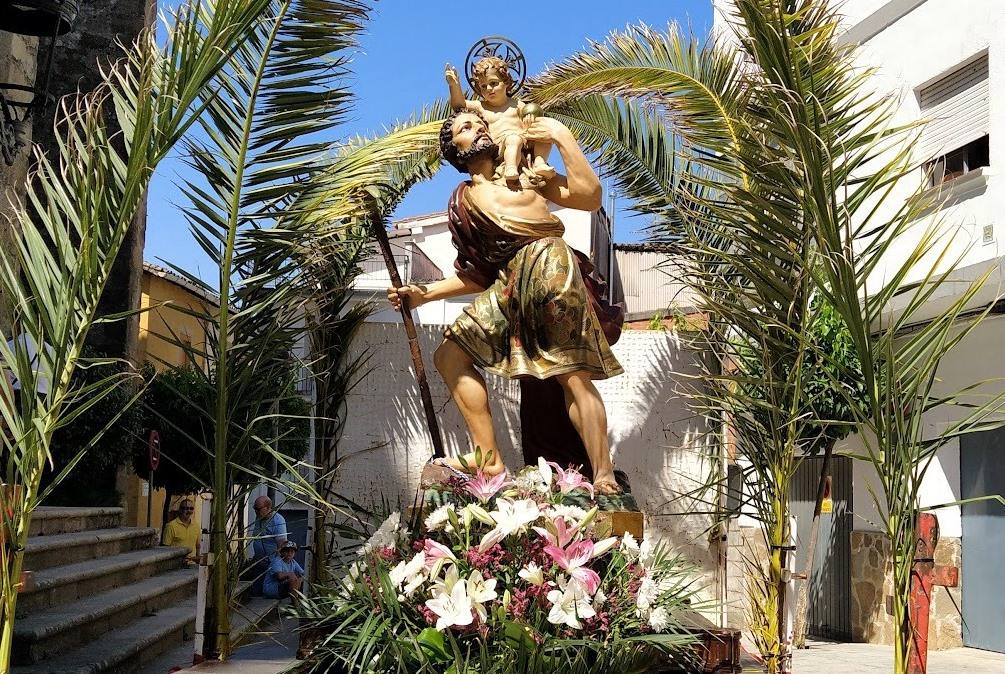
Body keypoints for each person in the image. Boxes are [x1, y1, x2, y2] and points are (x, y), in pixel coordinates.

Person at [387, 109, 625, 495]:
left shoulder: (529, 174)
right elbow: (475, 275)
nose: (479, 127)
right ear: (455, 151)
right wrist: (422, 294)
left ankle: (603, 473)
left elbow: (590, 196)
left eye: (479, 123)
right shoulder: (464, 201)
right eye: (467, 127)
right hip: (508, 283)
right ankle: (489, 458)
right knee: (450, 354)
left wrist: (563, 136)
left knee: (572, 374)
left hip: (549, 267)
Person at [445, 56, 554, 184]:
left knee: (544, 132)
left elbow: (532, 117)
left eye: (493, 83)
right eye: (483, 86)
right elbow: (459, 105)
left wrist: (531, 119)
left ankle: (539, 163)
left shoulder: (517, 104)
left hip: (524, 143)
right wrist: (454, 85)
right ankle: (510, 168)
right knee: (513, 139)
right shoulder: (481, 106)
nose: (489, 89)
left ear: (506, 82)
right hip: (501, 148)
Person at [247, 495, 287, 595]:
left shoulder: (277, 521)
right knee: (256, 593)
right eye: (255, 509)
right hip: (259, 563)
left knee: (267, 594)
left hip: (271, 565)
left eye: (258, 509)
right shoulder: (259, 518)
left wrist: (278, 566)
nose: (256, 511)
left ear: (268, 508)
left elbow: (282, 545)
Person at [162, 498, 199, 562]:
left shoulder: (196, 526)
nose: (188, 511)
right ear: (180, 510)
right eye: (185, 508)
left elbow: (198, 546)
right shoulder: (171, 526)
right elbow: (165, 548)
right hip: (175, 565)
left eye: (191, 508)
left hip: (191, 565)